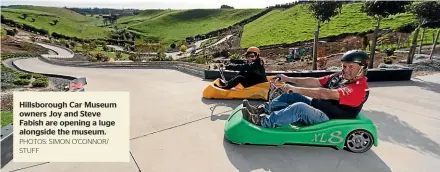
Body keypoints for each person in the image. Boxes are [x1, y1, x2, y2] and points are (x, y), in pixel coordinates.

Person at [242, 50, 370, 128]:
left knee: (299, 107)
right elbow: (316, 81)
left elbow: (325, 94)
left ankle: (262, 121)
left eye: (350, 67)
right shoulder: (341, 76)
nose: (345, 70)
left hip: (327, 117)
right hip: (318, 107)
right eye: (344, 66)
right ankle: (261, 109)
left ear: (361, 68)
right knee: (291, 97)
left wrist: (296, 89)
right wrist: (288, 79)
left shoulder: (359, 89)